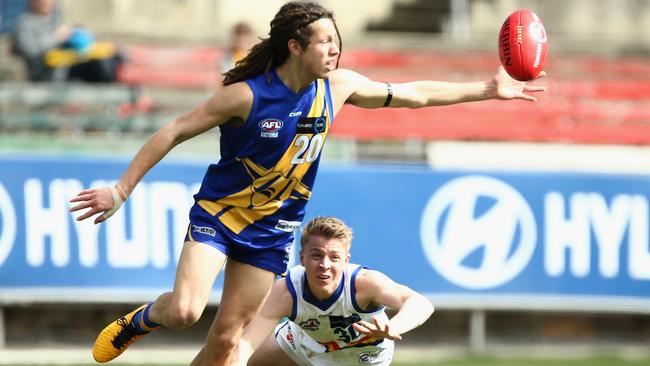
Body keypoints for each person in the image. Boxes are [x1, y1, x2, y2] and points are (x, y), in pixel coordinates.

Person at [69, 2, 545, 365]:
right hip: (220, 215)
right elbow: (172, 131)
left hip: (272, 231)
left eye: (337, 42)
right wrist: (121, 189)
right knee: (186, 313)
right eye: (325, 42)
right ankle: (141, 319)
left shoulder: (338, 86)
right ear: (295, 46)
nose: (335, 50)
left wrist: (488, 90)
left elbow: (415, 95)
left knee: (227, 343)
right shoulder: (244, 95)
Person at [238, 216, 434, 366]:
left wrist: (394, 327)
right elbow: (246, 343)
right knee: (238, 359)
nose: (324, 265)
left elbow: (420, 303)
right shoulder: (286, 290)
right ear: (302, 257)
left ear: (346, 260)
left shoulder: (364, 283)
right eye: (317, 255)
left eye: (334, 257)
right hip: (303, 345)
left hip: (362, 359)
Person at [11, 0, 121, 82]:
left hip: (70, 62)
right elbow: (31, 50)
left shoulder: (55, 19)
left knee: (108, 59)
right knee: (97, 65)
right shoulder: (23, 23)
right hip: (49, 71)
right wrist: (56, 37)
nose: (47, 2)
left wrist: (76, 36)